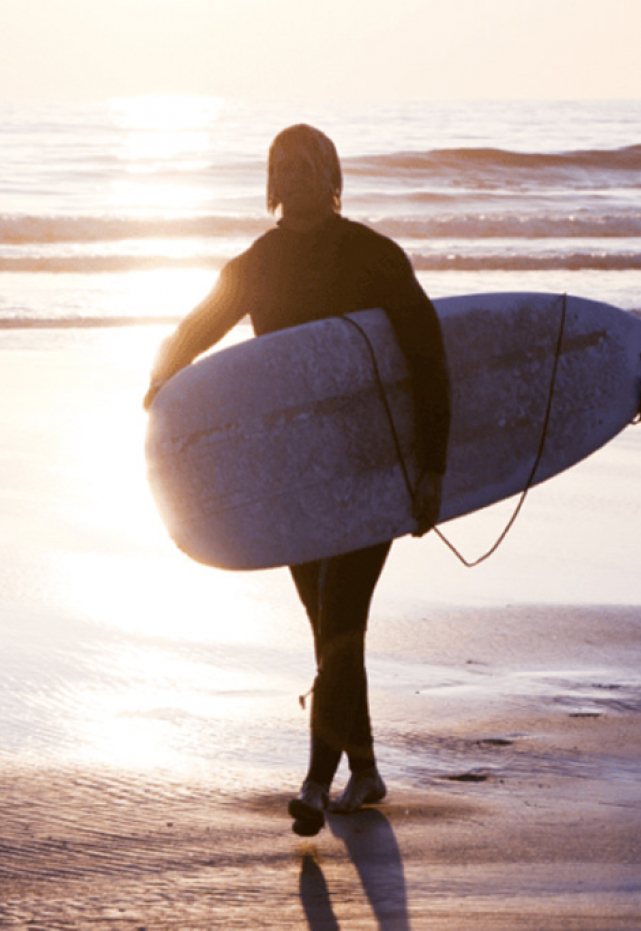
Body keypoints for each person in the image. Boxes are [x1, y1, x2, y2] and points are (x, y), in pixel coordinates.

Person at [144, 124, 450, 837]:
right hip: (296, 475)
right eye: (287, 164)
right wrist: (163, 379)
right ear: (272, 181)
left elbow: (428, 353)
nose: (300, 174)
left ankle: (316, 783)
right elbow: (202, 324)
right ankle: (366, 768)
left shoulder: (374, 255)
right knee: (331, 628)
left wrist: (431, 467)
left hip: (373, 466)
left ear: (333, 174)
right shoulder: (258, 261)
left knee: (340, 614)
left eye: (313, 163)